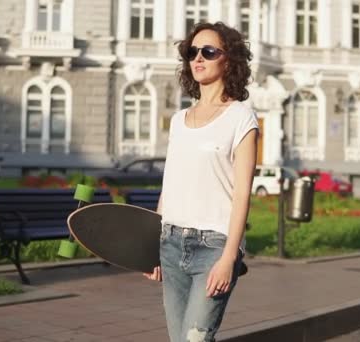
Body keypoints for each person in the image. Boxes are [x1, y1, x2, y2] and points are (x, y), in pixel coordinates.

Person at [143, 21, 259, 342]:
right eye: (192, 52)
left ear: (229, 60)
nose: (198, 58)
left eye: (209, 51)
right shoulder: (180, 120)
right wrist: (151, 247)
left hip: (214, 248)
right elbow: (170, 185)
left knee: (195, 339)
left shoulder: (241, 118)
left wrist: (229, 258)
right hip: (170, 243)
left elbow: (241, 196)